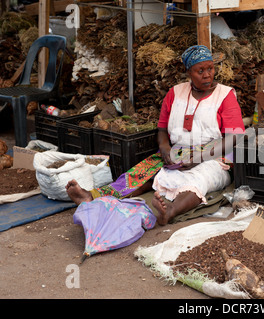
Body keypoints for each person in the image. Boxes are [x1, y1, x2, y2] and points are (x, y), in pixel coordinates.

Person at [66, 45, 245, 226]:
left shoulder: (225, 95)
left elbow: (234, 137)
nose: (207, 75)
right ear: (189, 72)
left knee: (199, 181)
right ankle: (92, 196)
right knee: (142, 172)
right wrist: (165, 148)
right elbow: (161, 130)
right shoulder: (174, 93)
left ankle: (170, 212)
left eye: (210, 69)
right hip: (179, 154)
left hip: (214, 158)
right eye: (200, 71)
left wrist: (200, 157)